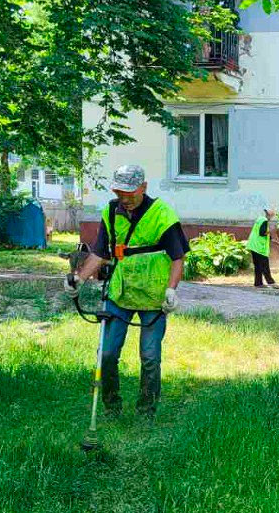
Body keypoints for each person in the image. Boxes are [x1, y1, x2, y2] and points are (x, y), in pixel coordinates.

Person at [64, 165, 188, 418]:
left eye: (130, 193)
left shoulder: (162, 215)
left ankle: (146, 412)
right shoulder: (111, 211)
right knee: (107, 353)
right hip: (120, 293)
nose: (125, 199)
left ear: (143, 187)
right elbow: (100, 252)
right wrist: (79, 278)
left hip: (154, 297)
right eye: (120, 193)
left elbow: (178, 258)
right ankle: (112, 408)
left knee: (150, 357)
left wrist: (171, 290)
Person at [247, 208, 279, 289]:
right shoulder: (264, 221)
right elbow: (262, 233)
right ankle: (271, 283)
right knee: (264, 265)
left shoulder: (260, 219)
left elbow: (262, 231)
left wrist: (272, 239)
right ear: (270, 215)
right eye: (272, 216)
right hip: (259, 247)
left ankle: (258, 283)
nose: (272, 218)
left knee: (258, 266)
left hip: (254, 245)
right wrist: (272, 231)